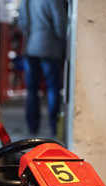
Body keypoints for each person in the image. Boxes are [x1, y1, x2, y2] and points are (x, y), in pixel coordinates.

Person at [17, 0, 67, 135]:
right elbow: (60, 24)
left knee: (32, 89)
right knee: (53, 87)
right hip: (50, 47)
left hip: (30, 46)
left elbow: (21, 21)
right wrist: (64, 43)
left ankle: (32, 126)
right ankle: (54, 126)